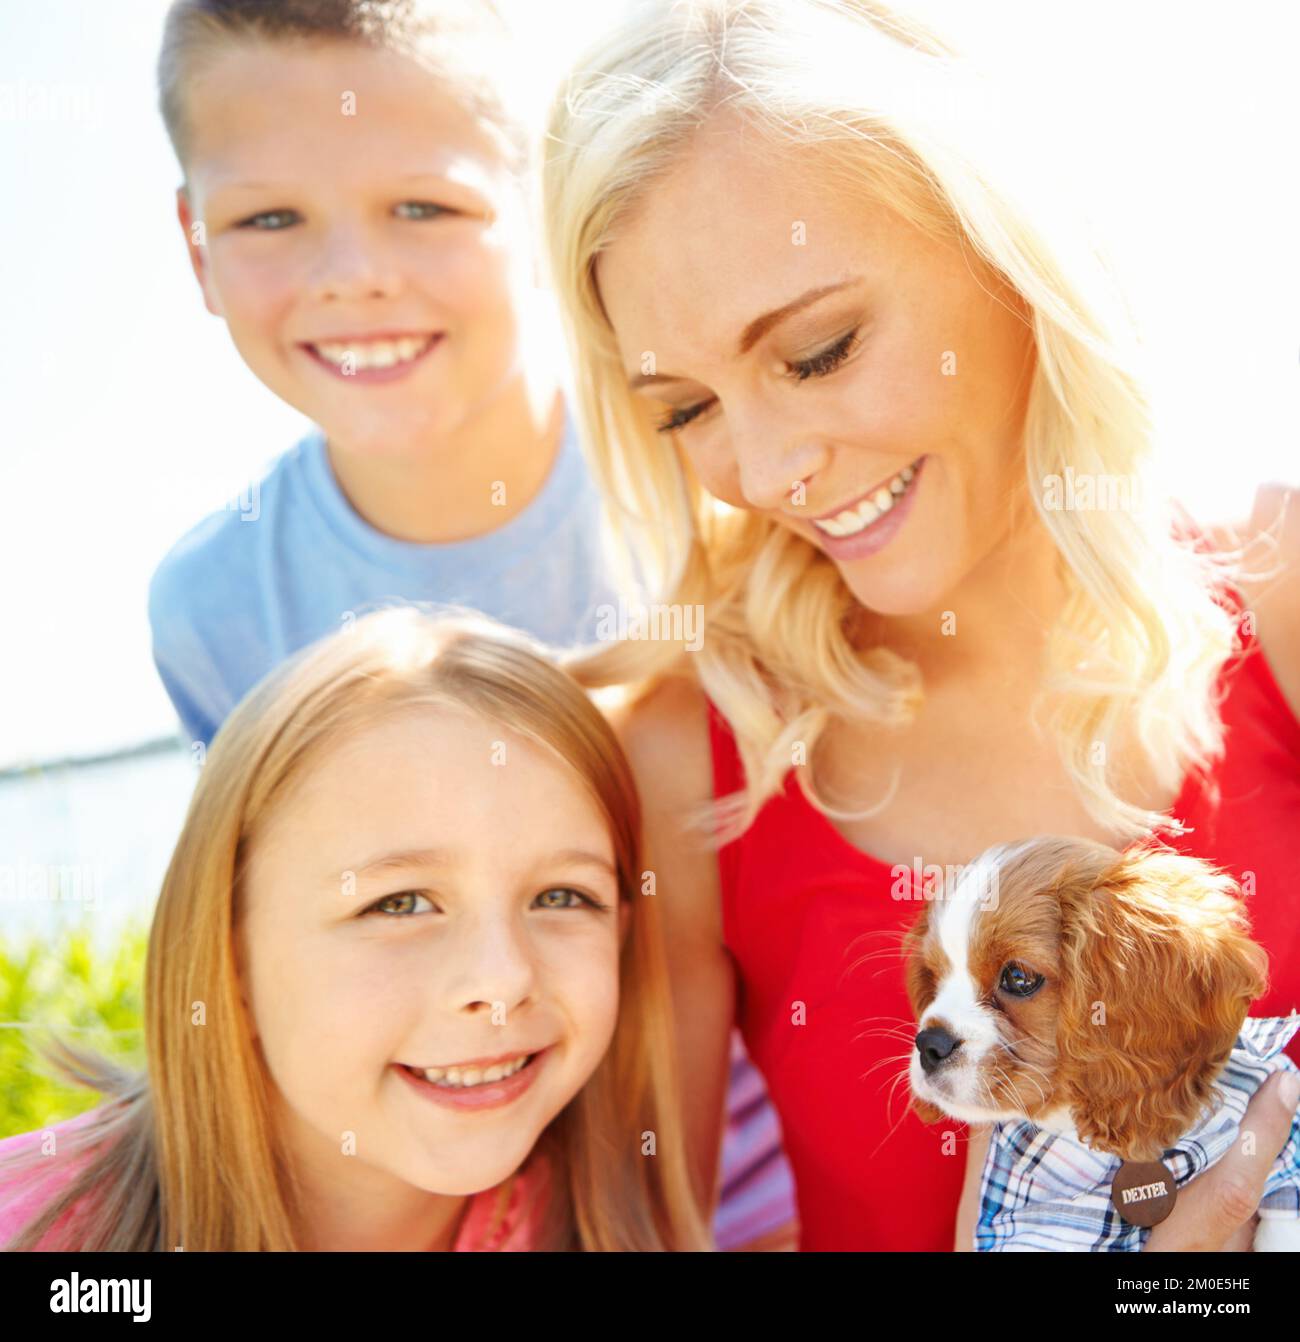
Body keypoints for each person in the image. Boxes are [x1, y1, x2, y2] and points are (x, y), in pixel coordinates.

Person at [542, 0, 1300, 1250]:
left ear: (1001, 244)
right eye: (685, 409)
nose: (773, 467)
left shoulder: (1275, 589)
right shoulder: (691, 763)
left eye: (819, 349)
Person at [145, 0, 796, 1249]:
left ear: (542, 211)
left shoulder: (717, 499)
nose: (354, 275)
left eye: (426, 207)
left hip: (759, 1212)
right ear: (195, 244)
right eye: (270, 218)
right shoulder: (214, 605)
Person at [0, 609, 710, 1250]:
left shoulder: (599, 1228)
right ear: (230, 960)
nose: (503, 980)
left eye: (561, 895)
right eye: (398, 903)